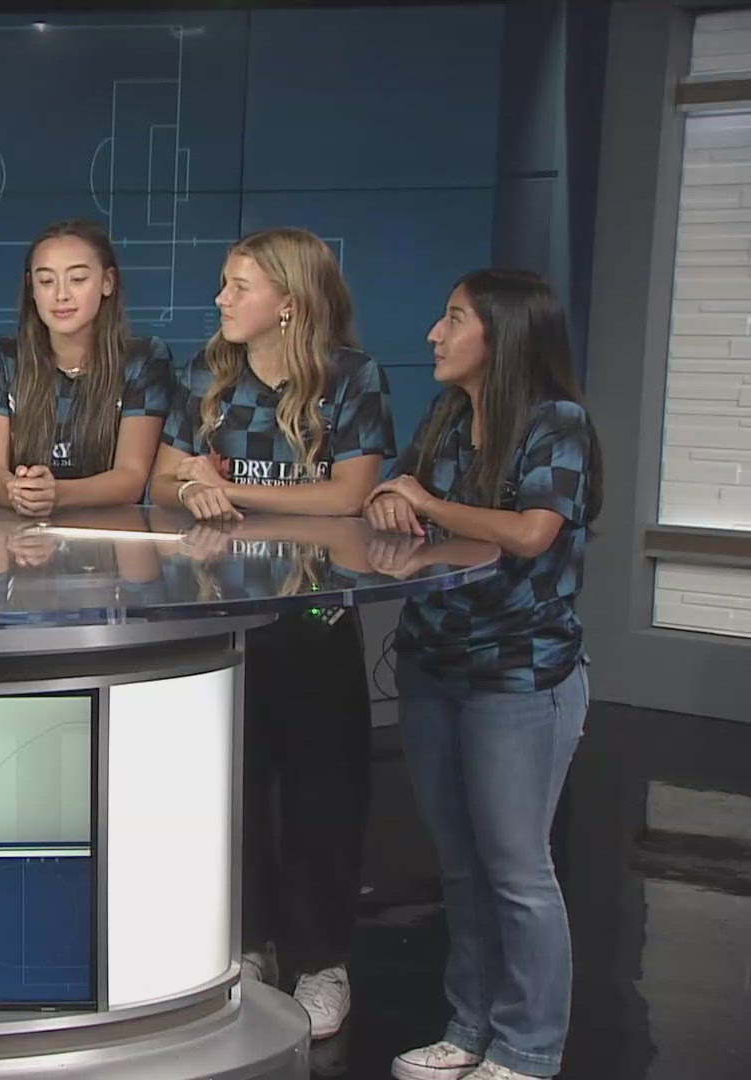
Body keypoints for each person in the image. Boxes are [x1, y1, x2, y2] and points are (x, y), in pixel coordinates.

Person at [150, 226, 396, 1041]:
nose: (221, 298)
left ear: (288, 302)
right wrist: (192, 489)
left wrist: (236, 493)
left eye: (238, 285)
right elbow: (163, 474)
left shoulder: (351, 379)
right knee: (239, 791)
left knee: (324, 798)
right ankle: (249, 945)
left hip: (319, 616)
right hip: (225, 612)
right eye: (224, 282)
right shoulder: (210, 373)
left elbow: (351, 496)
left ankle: (322, 960)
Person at [371, 270, 600, 1080]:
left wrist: (425, 505)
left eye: (454, 318)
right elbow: (393, 492)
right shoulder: (444, 418)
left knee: (516, 870)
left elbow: (533, 533)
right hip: (435, 668)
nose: (435, 334)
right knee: (461, 869)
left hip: (520, 677)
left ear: (500, 337)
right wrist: (393, 504)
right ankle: (467, 1029)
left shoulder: (556, 423)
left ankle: (529, 1048)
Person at [0, 218, 173, 516]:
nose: (61, 295)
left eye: (77, 279)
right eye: (46, 281)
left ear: (107, 282)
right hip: (21, 541)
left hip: (110, 542)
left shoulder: (143, 359)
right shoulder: (1, 356)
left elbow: (131, 478)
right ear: (31, 289)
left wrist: (57, 494)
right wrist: (14, 490)